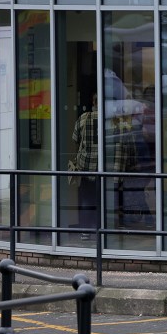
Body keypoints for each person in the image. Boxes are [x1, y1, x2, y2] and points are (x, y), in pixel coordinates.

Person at [72, 94, 99, 237]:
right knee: (102, 198)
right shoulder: (110, 120)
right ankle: (101, 230)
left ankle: (85, 231)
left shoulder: (84, 118)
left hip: (85, 164)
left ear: (93, 102)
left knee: (86, 198)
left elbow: (75, 138)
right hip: (102, 166)